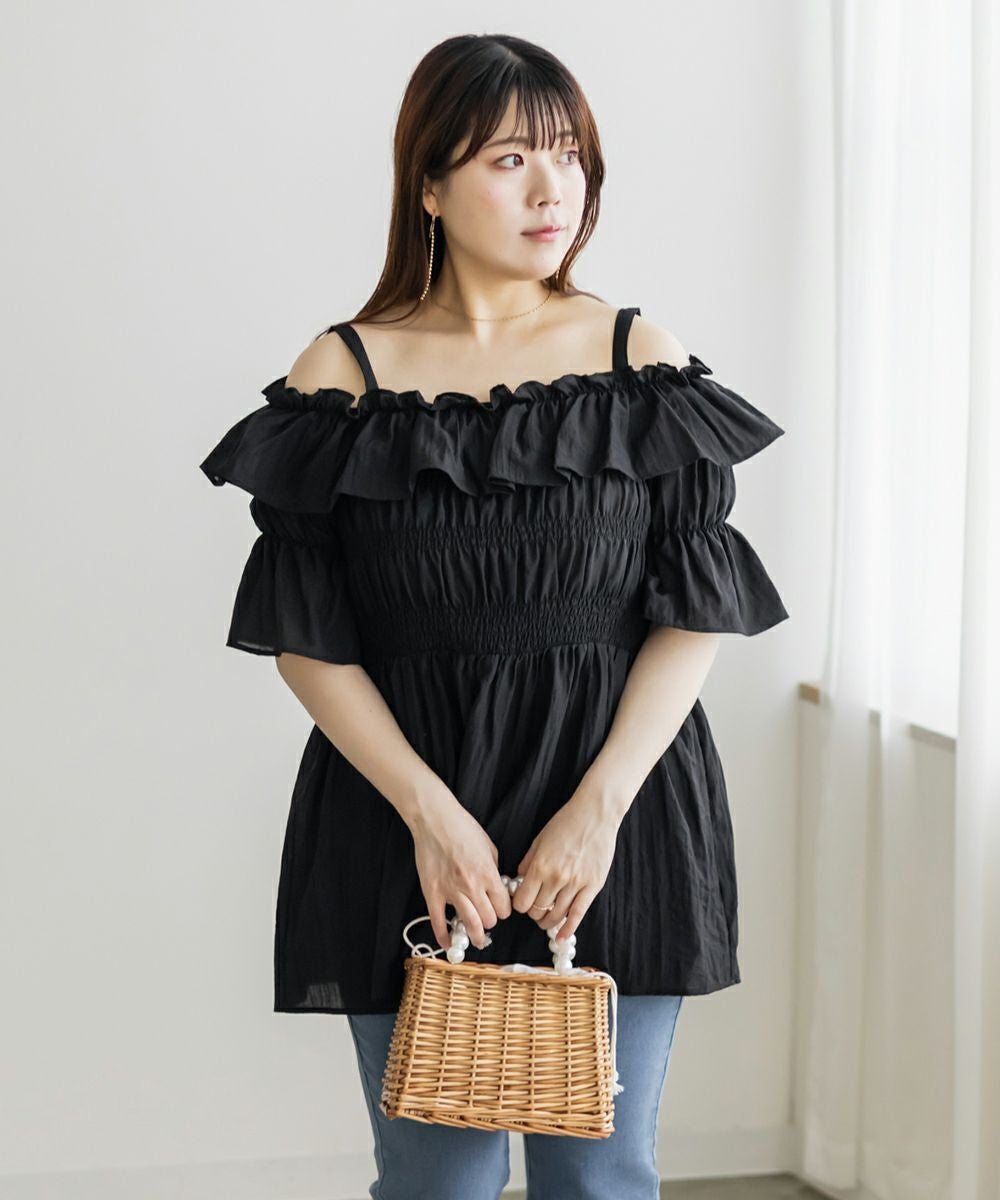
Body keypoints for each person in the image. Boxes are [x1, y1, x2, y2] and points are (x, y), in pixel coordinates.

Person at [200, 31, 789, 1200]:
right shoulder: (343, 375)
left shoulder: (636, 359)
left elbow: (694, 609)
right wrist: (431, 817)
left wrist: (597, 812)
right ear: (428, 183)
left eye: (568, 155)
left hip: (615, 802)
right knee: (437, 1179)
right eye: (510, 158)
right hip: (405, 807)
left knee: (600, 1172)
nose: (551, 188)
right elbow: (307, 637)